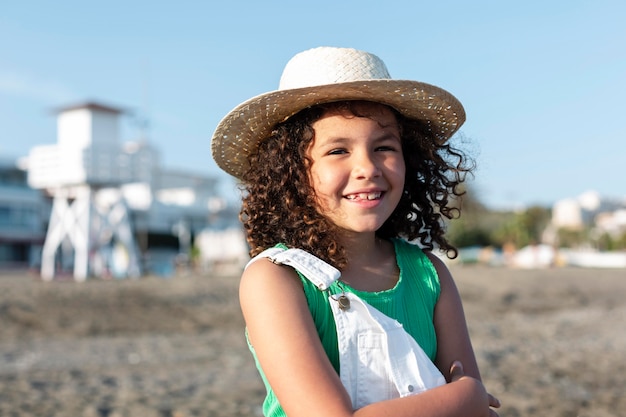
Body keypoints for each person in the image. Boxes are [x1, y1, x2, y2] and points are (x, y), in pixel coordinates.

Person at [211, 46, 501, 417]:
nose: (367, 167)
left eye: (383, 147)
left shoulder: (429, 273)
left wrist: (468, 401)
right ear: (291, 172)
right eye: (337, 151)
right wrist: (465, 396)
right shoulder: (275, 279)